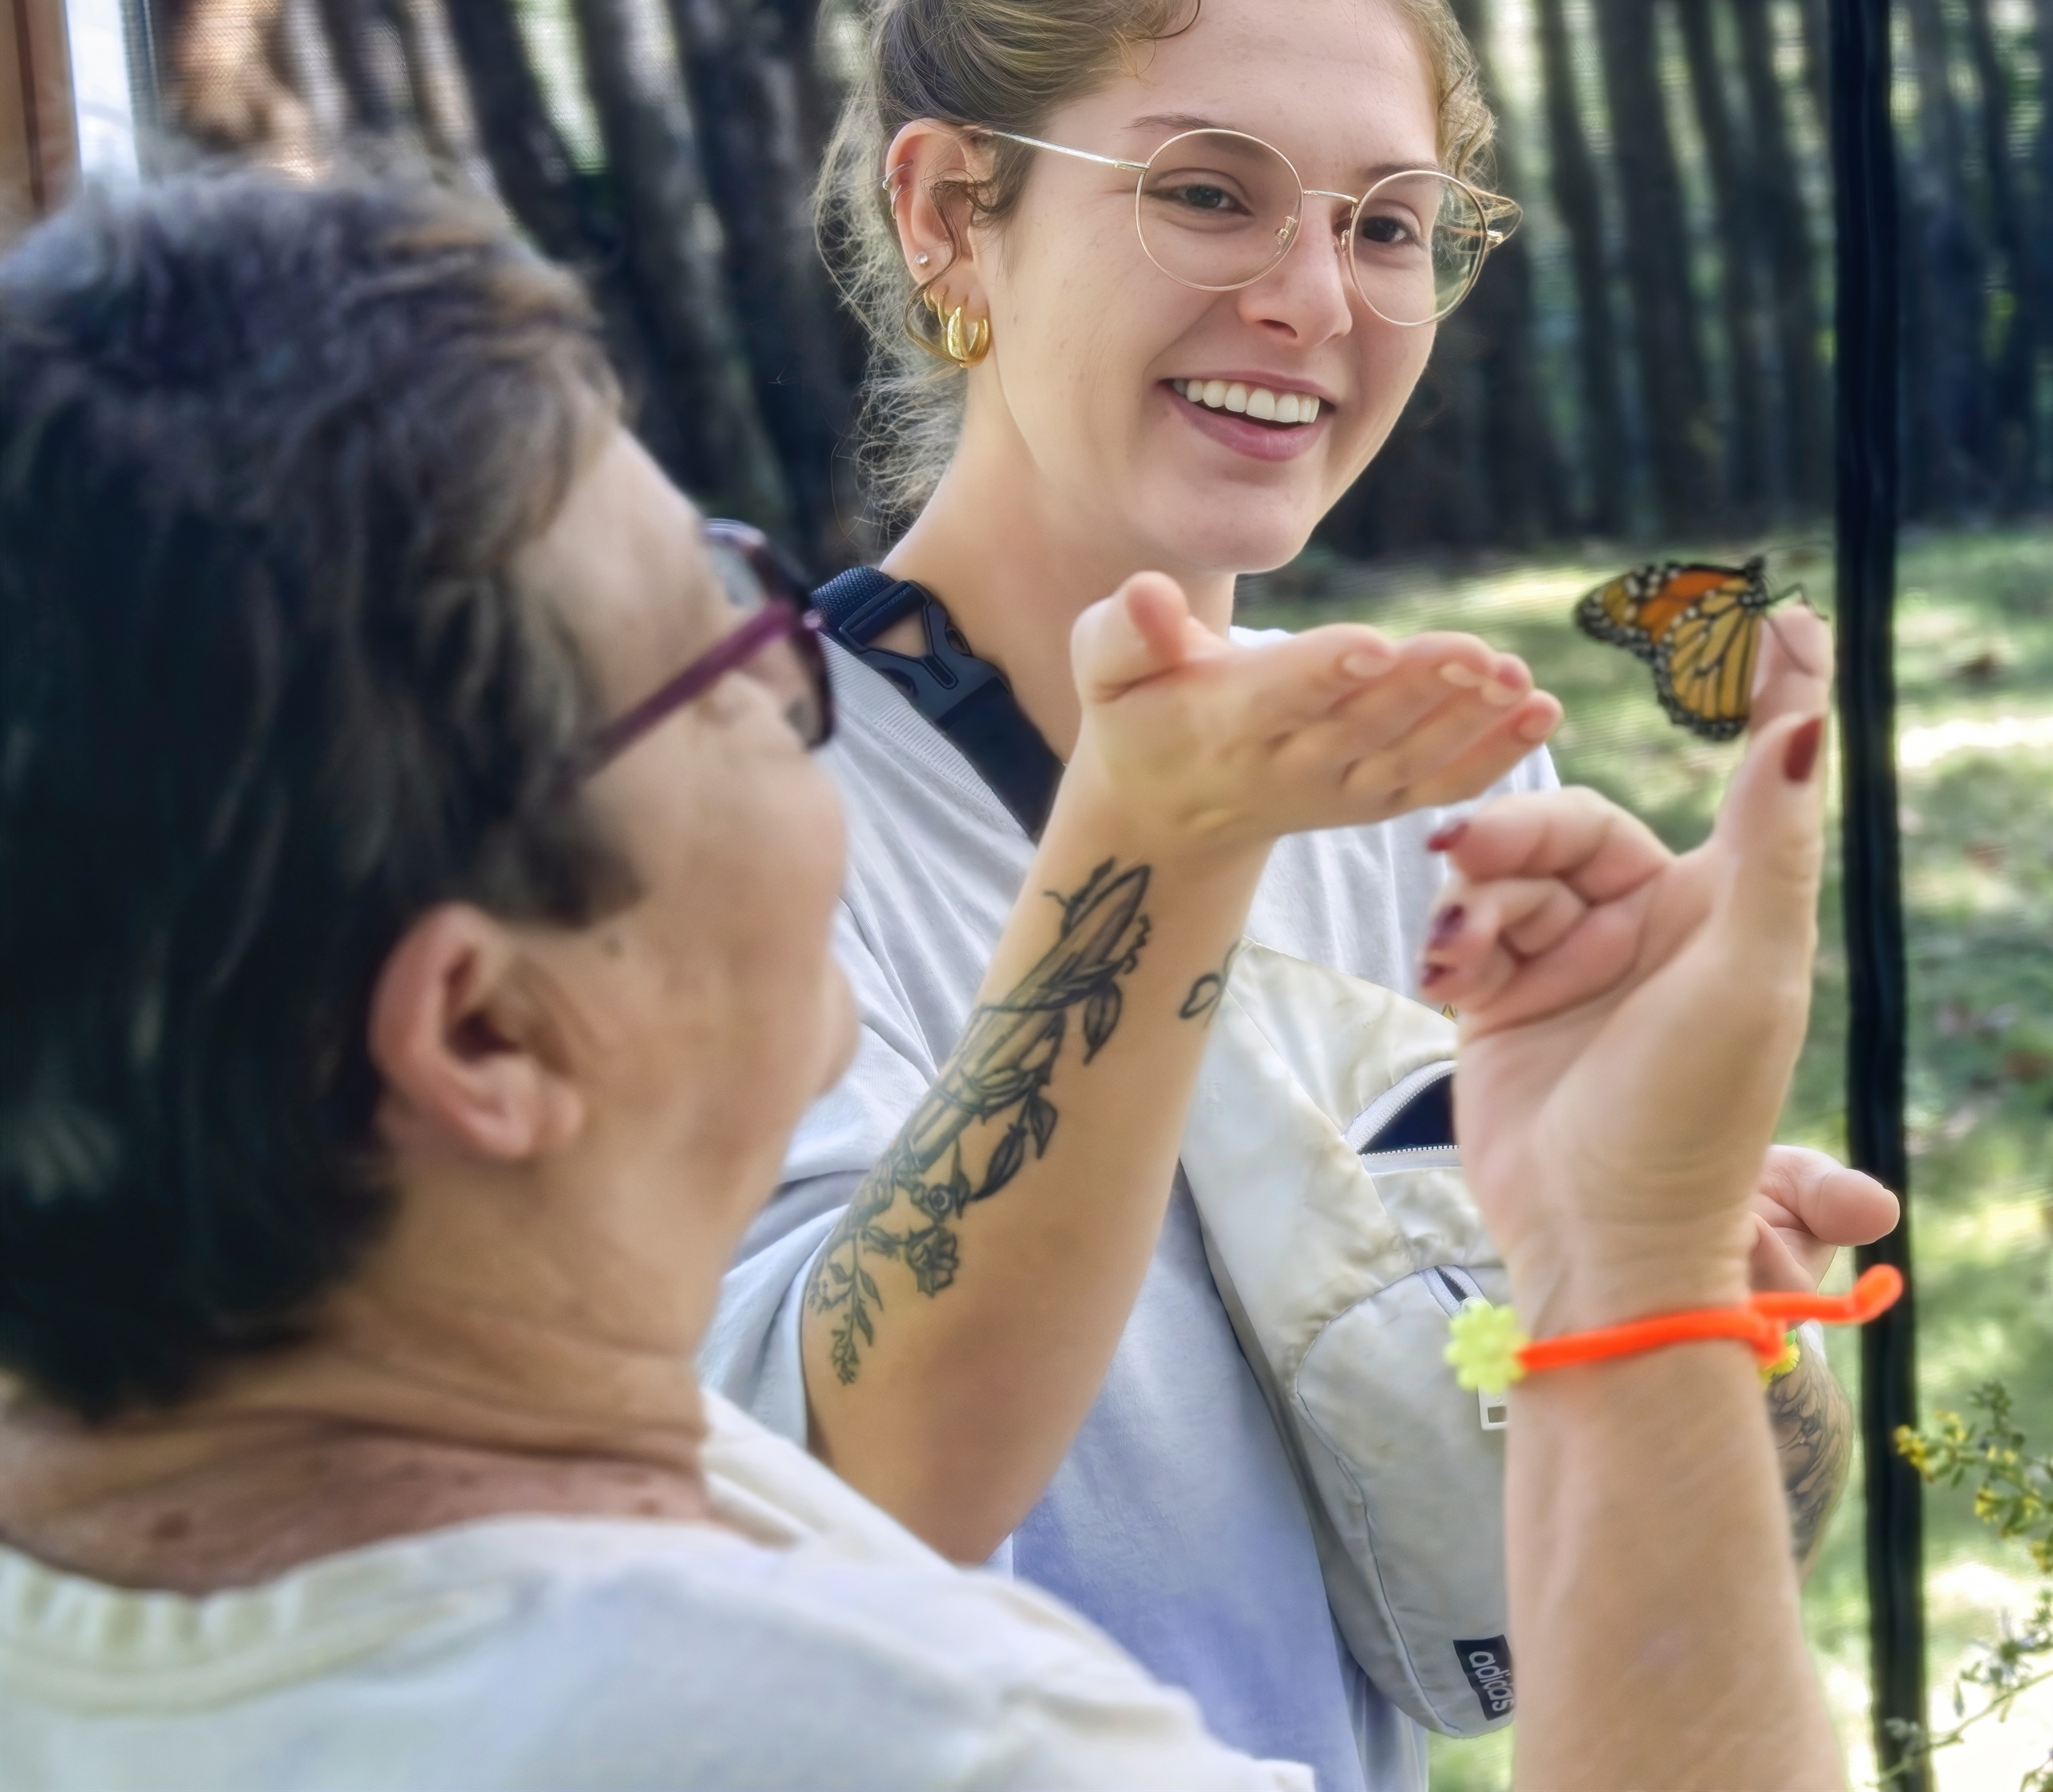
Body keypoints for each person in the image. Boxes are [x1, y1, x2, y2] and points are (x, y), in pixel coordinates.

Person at [0, 168, 1848, 1792]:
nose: (798, 661)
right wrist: (1634, 1272)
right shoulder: (917, 1744)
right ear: (485, 1029)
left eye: (1388, 222)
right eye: (725, 644)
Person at [706, 0, 1897, 1786]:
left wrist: (1676, 1260)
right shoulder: (723, 820)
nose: (1310, 296)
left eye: (1388, 221)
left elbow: (1617, 1586)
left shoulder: (1429, 826)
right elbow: (868, 1497)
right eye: (1202, 188)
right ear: (946, 212)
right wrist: (1159, 843)